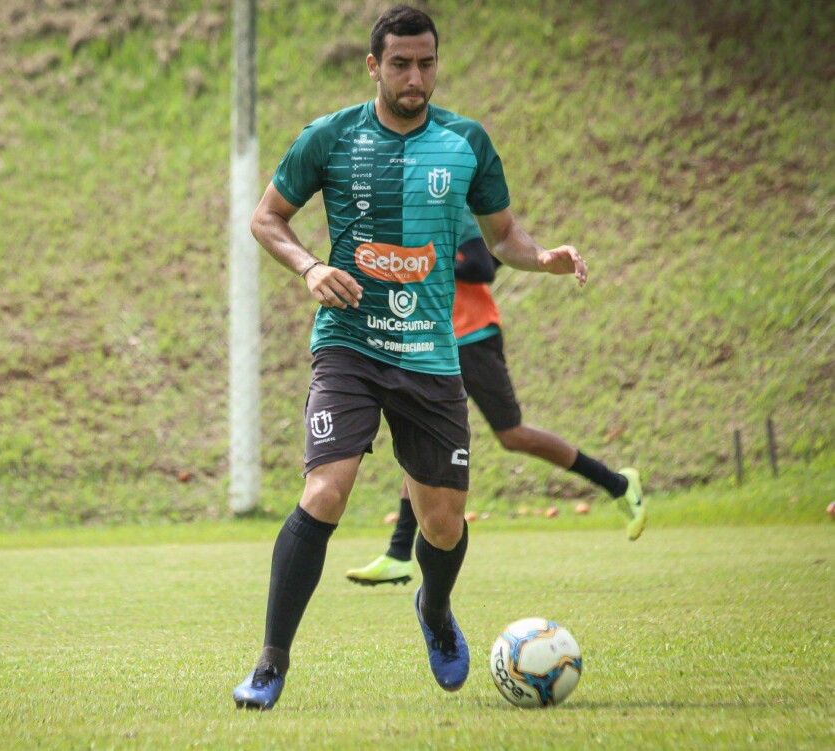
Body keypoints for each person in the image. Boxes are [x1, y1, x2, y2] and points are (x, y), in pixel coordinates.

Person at [232, 5, 588, 711]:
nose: (414, 76)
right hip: (349, 345)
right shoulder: (329, 137)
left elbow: (505, 236)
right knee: (325, 492)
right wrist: (307, 267)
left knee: (443, 525)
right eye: (400, 63)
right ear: (374, 66)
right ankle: (271, 662)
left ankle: (433, 609)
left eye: (426, 63)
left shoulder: (466, 142)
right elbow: (266, 217)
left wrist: (543, 258)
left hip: (430, 356)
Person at [345, 208, 646, 587]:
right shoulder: (402, 218)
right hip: (434, 344)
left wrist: (425, 269)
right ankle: (399, 553)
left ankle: (618, 484)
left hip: (473, 338)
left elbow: (484, 267)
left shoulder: (454, 215)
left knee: (513, 434)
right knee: (424, 435)